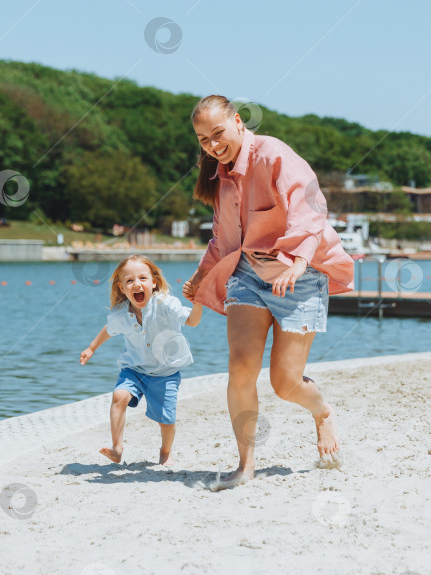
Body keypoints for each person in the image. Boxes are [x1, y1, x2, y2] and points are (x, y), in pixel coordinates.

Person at [183, 95, 355, 491]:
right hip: (248, 275)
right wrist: (199, 277)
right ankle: (245, 466)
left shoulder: (273, 154)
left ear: (238, 121)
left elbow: (309, 208)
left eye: (218, 133)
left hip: (301, 275)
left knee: (284, 382)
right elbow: (223, 238)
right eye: (203, 139)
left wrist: (296, 260)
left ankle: (323, 411)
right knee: (240, 368)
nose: (212, 145)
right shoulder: (220, 176)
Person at [81, 255, 203, 466]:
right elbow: (108, 330)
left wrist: (198, 302)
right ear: (121, 288)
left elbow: (191, 321)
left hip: (165, 372)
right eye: (129, 281)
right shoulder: (121, 314)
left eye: (142, 278)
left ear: (153, 282)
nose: (136, 284)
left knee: (166, 421)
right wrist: (92, 348)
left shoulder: (165, 304)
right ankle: (117, 449)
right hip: (135, 369)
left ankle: (165, 452)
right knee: (119, 396)